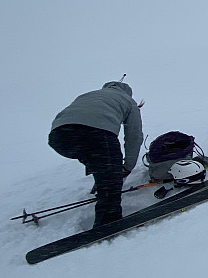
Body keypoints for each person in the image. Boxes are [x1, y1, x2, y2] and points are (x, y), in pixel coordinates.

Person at [48, 81, 143, 228]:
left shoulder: (89, 95)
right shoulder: (129, 102)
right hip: (96, 133)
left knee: (98, 158)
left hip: (60, 137)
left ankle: (102, 181)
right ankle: (108, 223)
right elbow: (133, 136)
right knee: (111, 176)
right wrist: (127, 167)